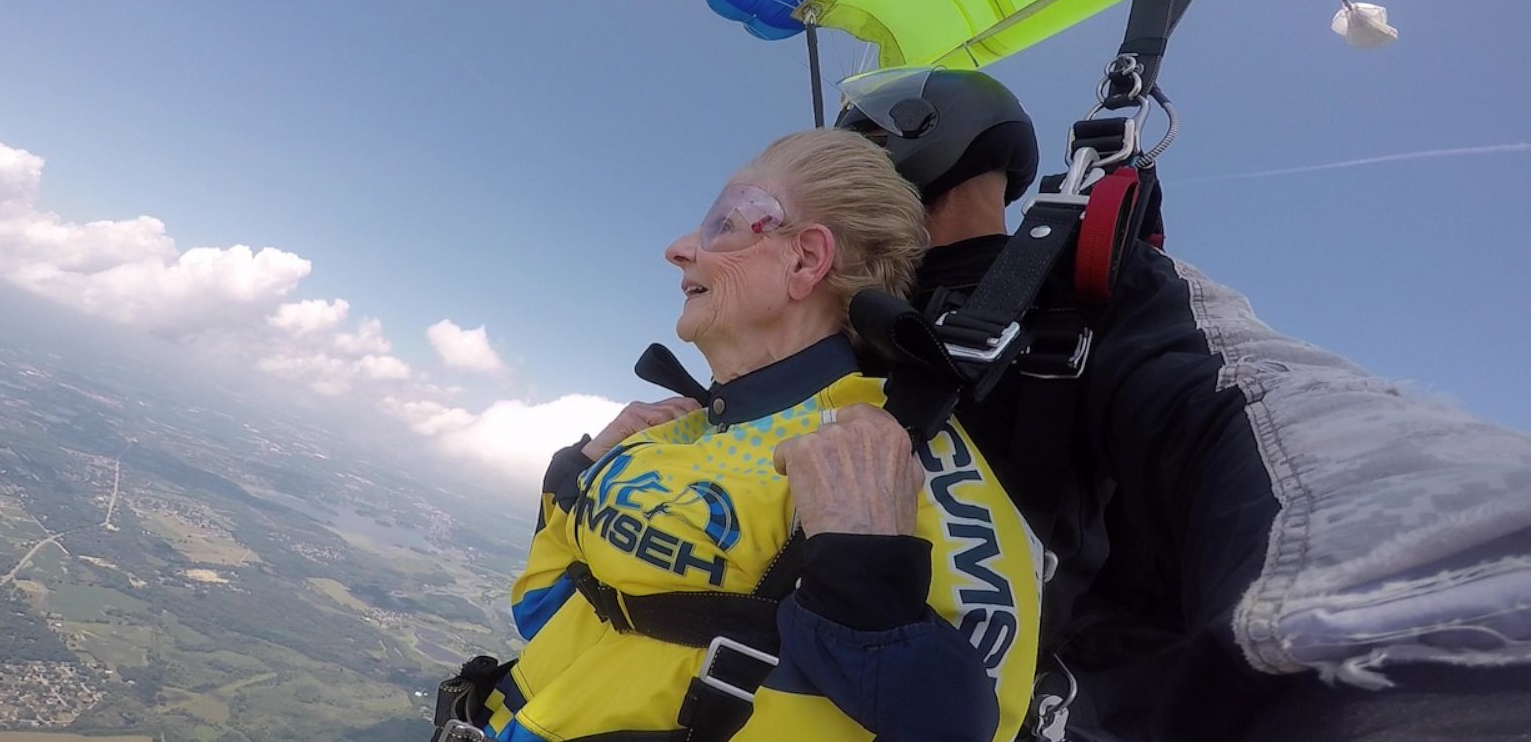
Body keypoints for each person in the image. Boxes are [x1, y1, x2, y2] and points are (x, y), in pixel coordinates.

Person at [834, 67, 1531, 742]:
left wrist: (1428, 622)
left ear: (914, 141)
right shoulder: (828, 323)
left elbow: (1250, 408)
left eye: (847, 155)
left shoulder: (1085, 283)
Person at [455, 129, 1043, 742]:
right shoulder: (665, 430)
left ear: (806, 259)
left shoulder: (891, 455)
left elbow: (975, 724)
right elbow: (540, 611)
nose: (679, 248)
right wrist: (572, 475)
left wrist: (868, 576)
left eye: (724, 223)